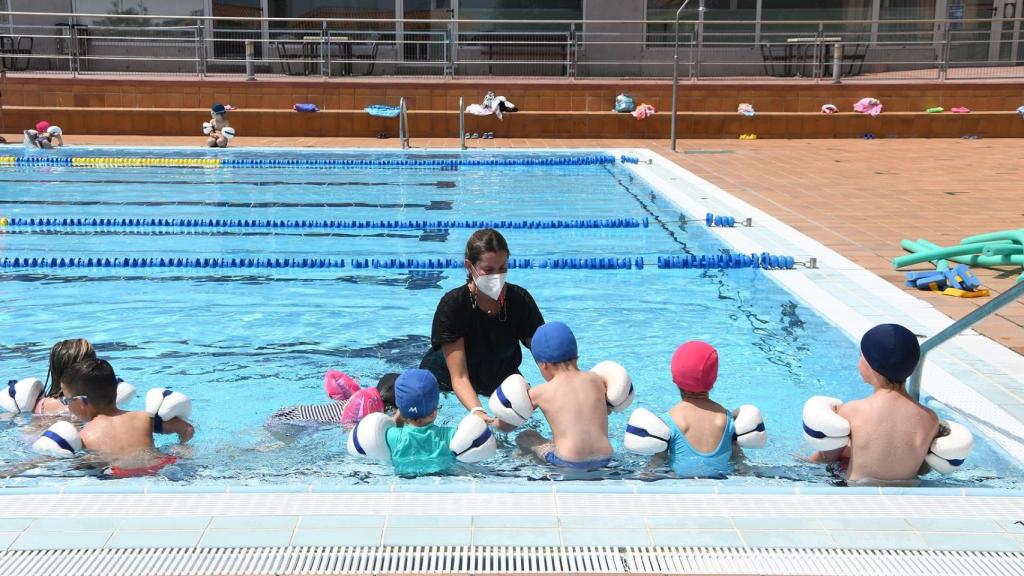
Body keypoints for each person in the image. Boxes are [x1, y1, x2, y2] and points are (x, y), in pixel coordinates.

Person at [420, 229, 544, 427]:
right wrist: (477, 411)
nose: (497, 276)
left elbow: (545, 358)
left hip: (498, 377)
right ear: (470, 267)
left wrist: (561, 388)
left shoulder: (520, 301)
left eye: (503, 268)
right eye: (489, 270)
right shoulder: (453, 306)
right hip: (446, 384)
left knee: (526, 427)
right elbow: (459, 377)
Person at [809, 323, 939, 483]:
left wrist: (805, 460)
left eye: (861, 356)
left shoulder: (853, 411)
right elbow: (923, 468)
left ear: (871, 366)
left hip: (857, 493)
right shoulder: (930, 418)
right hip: (908, 494)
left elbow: (827, 458)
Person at [59, 358, 194, 476]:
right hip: (162, 466)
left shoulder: (83, 436)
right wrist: (180, 445)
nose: (67, 406)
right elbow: (186, 429)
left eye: (66, 400)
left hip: (118, 475)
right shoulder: (143, 418)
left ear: (81, 402)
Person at [514, 322, 614, 470]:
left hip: (568, 461)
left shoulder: (540, 392)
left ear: (544, 366)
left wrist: (494, 422)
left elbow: (509, 419)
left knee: (527, 437)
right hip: (605, 457)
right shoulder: (596, 380)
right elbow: (608, 408)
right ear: (576, 356)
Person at [384, 369, 462, 475]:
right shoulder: (449, 436)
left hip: (404, 485)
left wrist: (398, 418)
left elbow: (387, 425)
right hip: (442, 481)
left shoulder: (391, 436)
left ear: (400, 411)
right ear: (434, 412)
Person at [266, 371, 397, 430]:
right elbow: (348, 429)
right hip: (297, 423)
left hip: (296, 411)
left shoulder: (361, 400)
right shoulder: (368, 412)